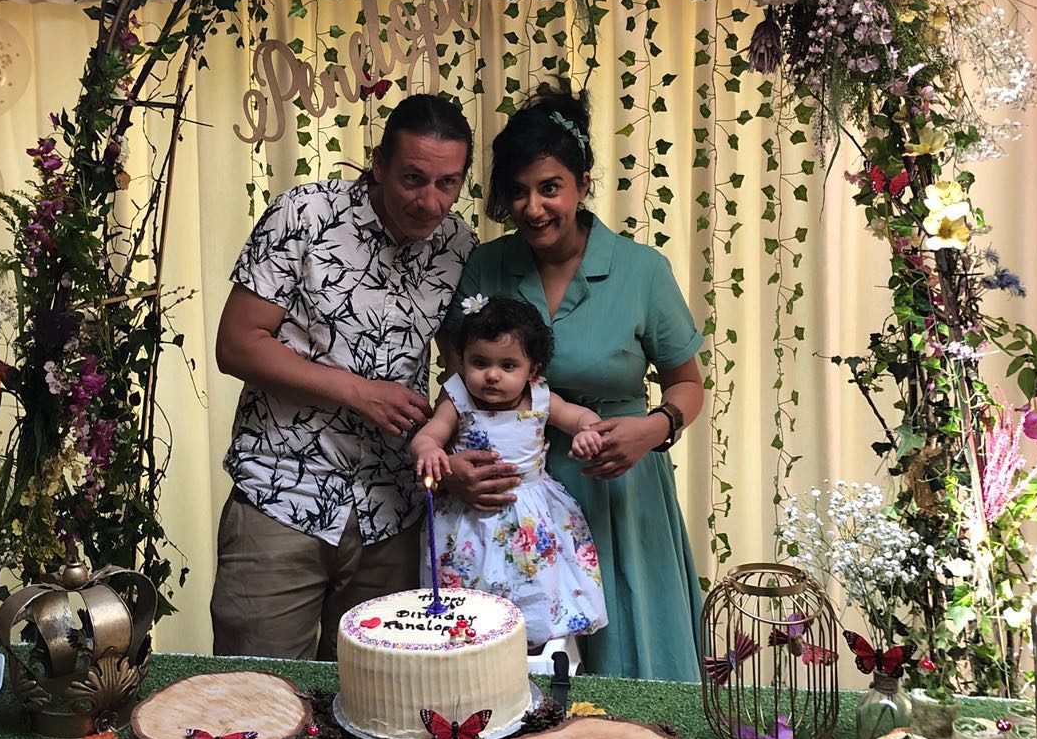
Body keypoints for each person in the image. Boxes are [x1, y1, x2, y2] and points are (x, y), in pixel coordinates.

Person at [440, 83, 708, 681]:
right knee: (512, 679)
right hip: (509, 501)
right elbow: (457, 383)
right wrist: (453, 467)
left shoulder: (643, 271)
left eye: (549, 187)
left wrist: (652, 430)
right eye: (518, 191)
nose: (533, 207)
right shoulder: (487, 266)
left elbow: (688, 384)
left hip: (617, 489)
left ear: (583, 184)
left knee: (631, 669)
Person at [211, 94, 477, 660]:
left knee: (378, 697)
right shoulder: (305, 214)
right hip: (283, 493)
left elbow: (463, 373)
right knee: (259, 694)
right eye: (413, 178)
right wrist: (359, 393)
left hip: (394, 510)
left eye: (448, 184)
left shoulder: (459, 246)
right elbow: (236, 343)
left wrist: (451, 455)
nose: (430, 201)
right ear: (378, 163)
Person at [411, 295, 609, 650]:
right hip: (468, 517)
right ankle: (466, 644)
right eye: (479, 362)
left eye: (508, 365)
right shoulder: (456, 398)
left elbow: (580, 417)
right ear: (463, 361)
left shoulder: (540, 397)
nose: (492, 375)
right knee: (467, 594)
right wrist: (428, 449)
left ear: (532, 370)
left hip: (530, 512)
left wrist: (588, 432)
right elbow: (429, 434)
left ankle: (534, 651)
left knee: (535, 585)